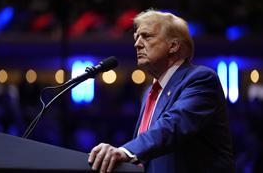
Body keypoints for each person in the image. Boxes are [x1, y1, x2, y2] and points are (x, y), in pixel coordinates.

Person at [88, 9, 235, 173]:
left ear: (173, 45)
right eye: (136, 37)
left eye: (146, 36)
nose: (137, 43)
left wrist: (125, 151)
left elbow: (173, 125)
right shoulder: (150, 92)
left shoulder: (201, 79)